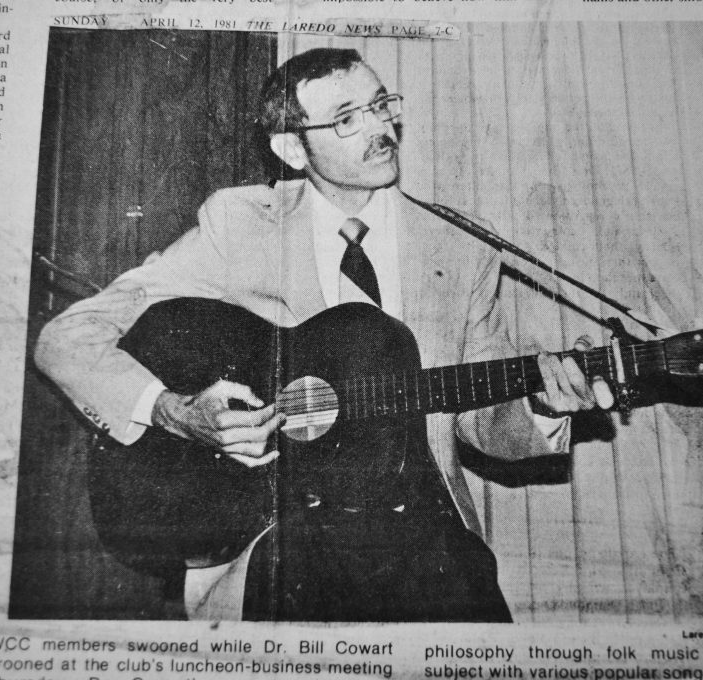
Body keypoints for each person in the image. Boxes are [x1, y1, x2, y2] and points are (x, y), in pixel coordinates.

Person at [35, 48, 604, 622]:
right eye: (346, 118)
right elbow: (68, 337)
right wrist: (171, 410)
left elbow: (480, 422)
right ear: (291, 147)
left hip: (430, 543)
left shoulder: (458, 249)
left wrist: (541, 403)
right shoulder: (239, 225)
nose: (381, 127)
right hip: (273, 533)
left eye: (381, 106)